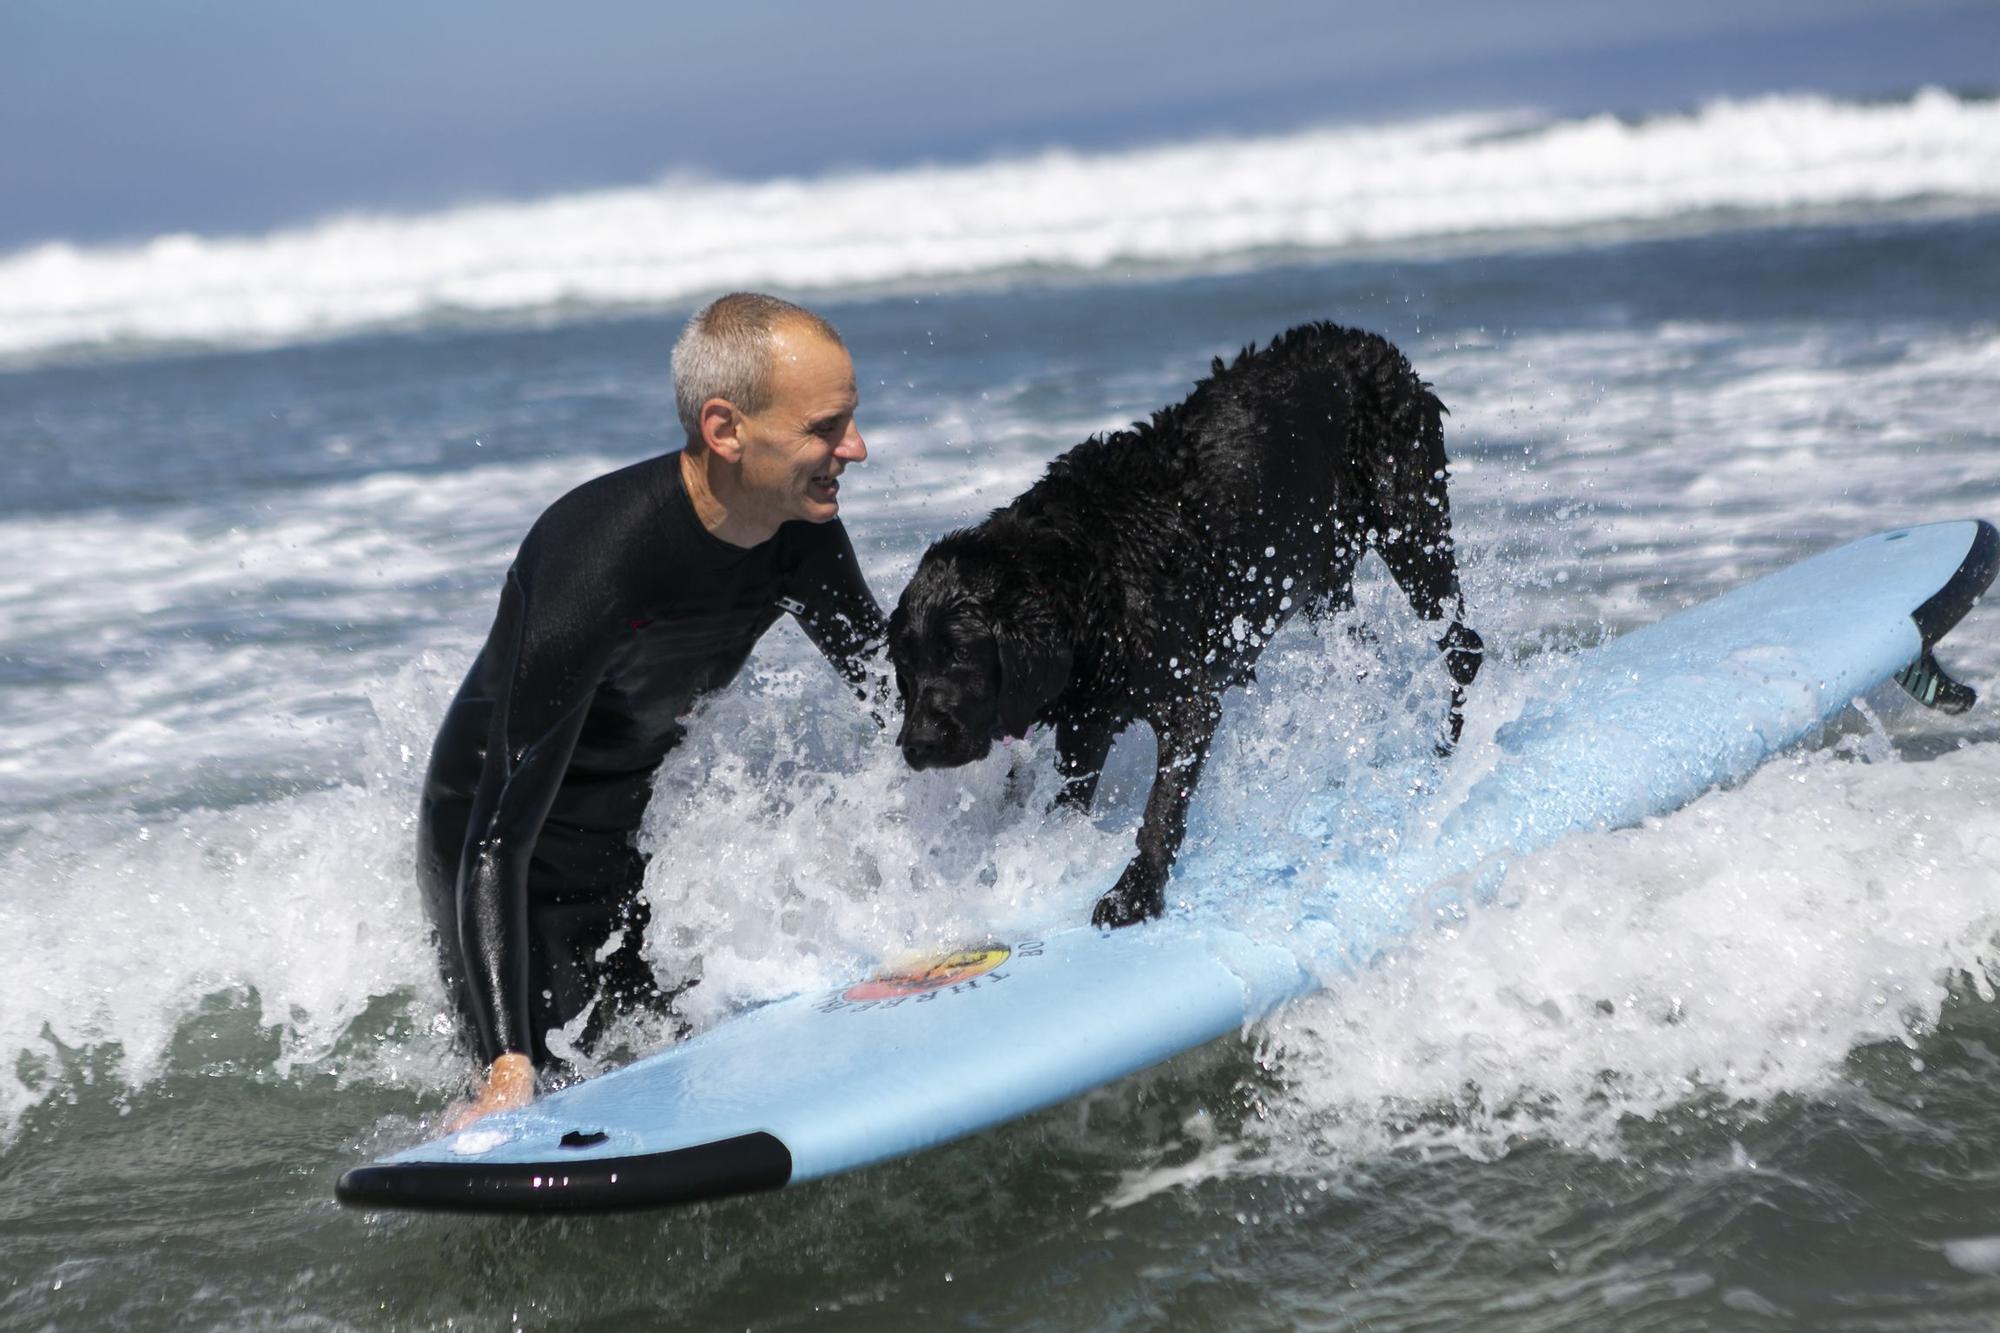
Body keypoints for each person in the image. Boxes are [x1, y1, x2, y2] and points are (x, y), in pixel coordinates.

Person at [416, 292, 884, 1128]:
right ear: (725, 429)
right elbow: (494, 837)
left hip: (621, 845)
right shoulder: (594, 562)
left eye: (850, 421)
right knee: (534, 1091)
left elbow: (894, 698)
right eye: (826, 427)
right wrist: (504, 1067)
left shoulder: (799, 535)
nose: (854, 447)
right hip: (495, 867)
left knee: (659, 1070)